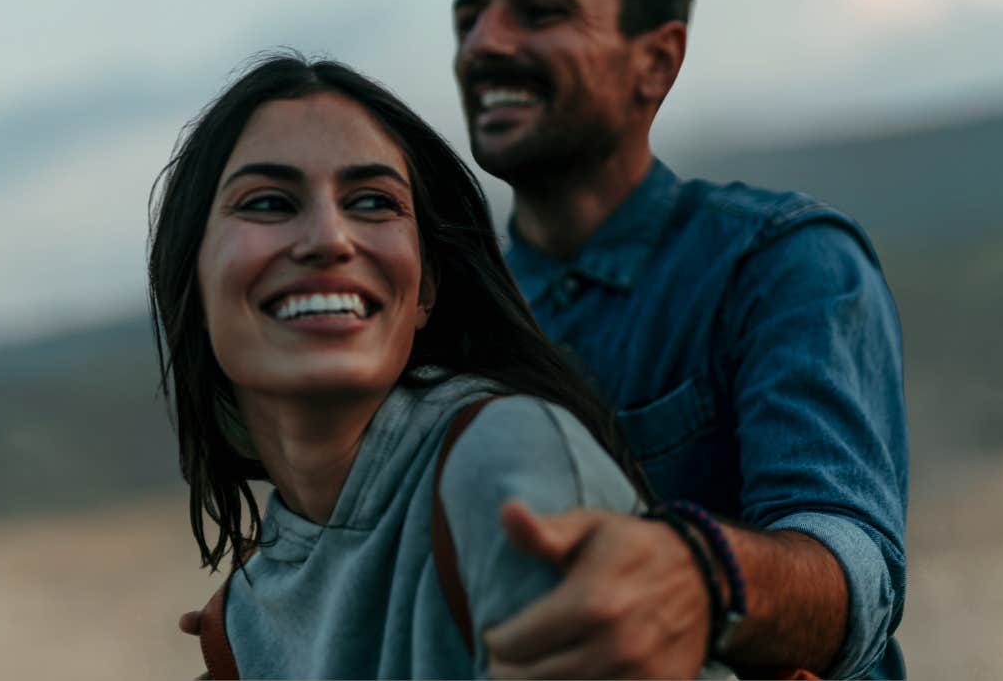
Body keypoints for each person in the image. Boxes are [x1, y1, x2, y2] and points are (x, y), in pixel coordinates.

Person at [449, 0, 908, 678]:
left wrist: (701, 577)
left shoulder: (779, 262)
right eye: (469, 19)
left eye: (540, 11)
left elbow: (852, 569)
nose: (484, 45)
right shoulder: (451, 317)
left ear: (655, 62)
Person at [151, 53, 678, 679]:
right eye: (268, 203)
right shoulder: (247, 619)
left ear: (425, 287)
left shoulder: (504, 461)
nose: (329, 238)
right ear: (196, 283)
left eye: (373, 202)